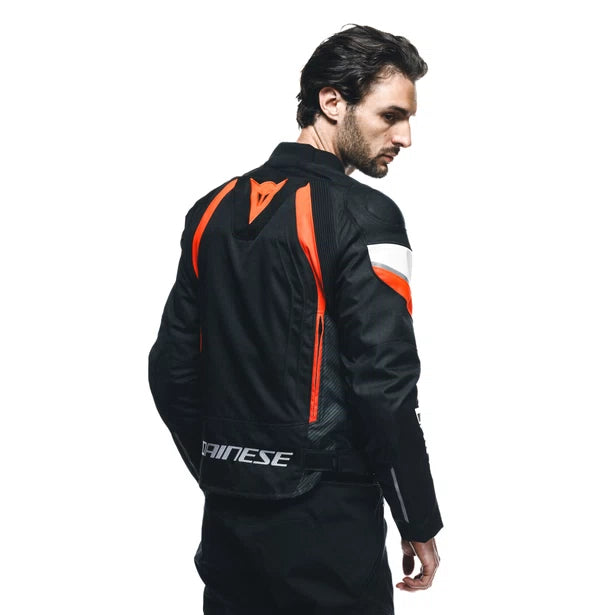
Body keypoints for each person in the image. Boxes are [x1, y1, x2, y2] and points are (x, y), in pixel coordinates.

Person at [149, 24, 443, 615]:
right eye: (391, 116)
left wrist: (227, 467)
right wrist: (417, 517)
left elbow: (170, 370)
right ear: (332, 102)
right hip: (328, 528)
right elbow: (384, 384)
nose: (405, 137)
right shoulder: (366, 215)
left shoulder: (211, 210)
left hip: (229, 531)